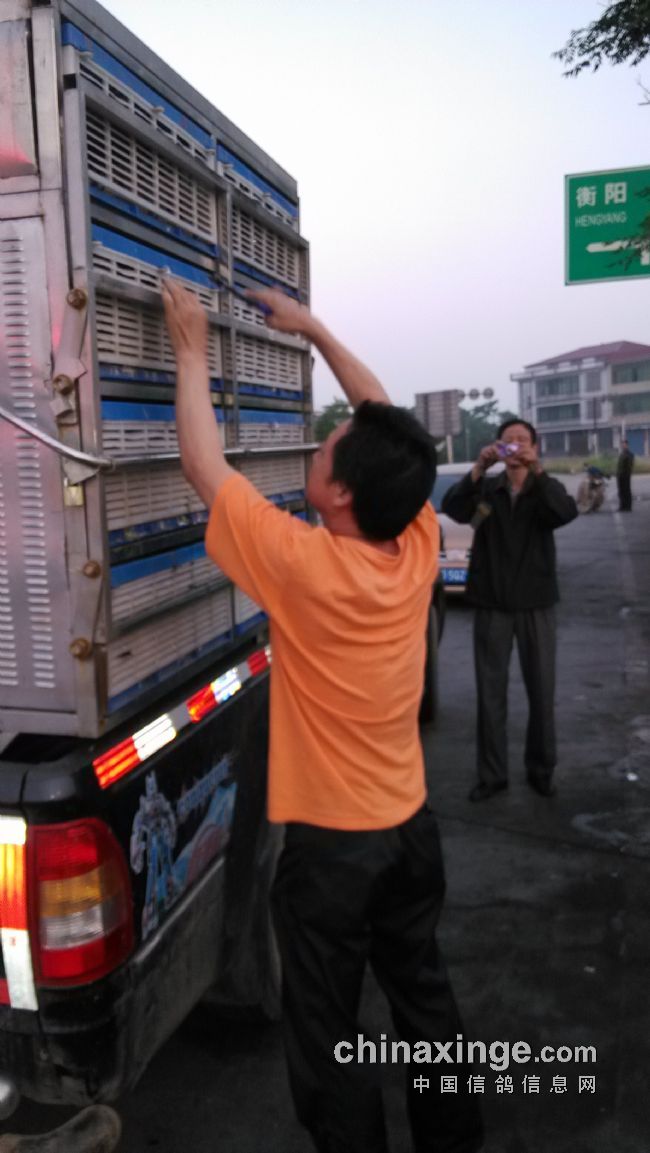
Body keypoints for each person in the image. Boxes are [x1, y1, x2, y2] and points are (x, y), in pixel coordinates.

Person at [162, 279, 484, 1153]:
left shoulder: (306, 568)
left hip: (334, 853)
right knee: (424, 996)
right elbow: (384, 421)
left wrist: (189, 348)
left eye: (328, 445)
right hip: (409, 830)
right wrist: (311, 329)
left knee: (329, 1038)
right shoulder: (413, 540)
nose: (321, 441)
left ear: (340, 494)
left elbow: (204, 468)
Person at [441, 420, 577, 803]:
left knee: (542, 691)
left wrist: (537, 470)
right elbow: (453, 508)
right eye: (508, 441)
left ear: (534, 447)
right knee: (490, 694)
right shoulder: (488, 490)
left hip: (536, 604)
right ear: (498, 448)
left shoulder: (544, 489)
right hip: (492, 604)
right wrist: (478, 468)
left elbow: (565, 512)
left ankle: (541, 770)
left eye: (522, 440)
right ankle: (492, 776)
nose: (515, 446)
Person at [616, 438, 634, 512]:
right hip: (620, 475)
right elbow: (619, 465)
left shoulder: (629, 454)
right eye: (622, 444)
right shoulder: (622, 454)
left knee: (626, 491)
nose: (623, 445)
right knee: (621, 491)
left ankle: (628, 507)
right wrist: (618, 474)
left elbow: (629, 466)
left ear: (627, 445)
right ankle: (622, 506)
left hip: (626, 475)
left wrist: (626, 474)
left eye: (624, 444)